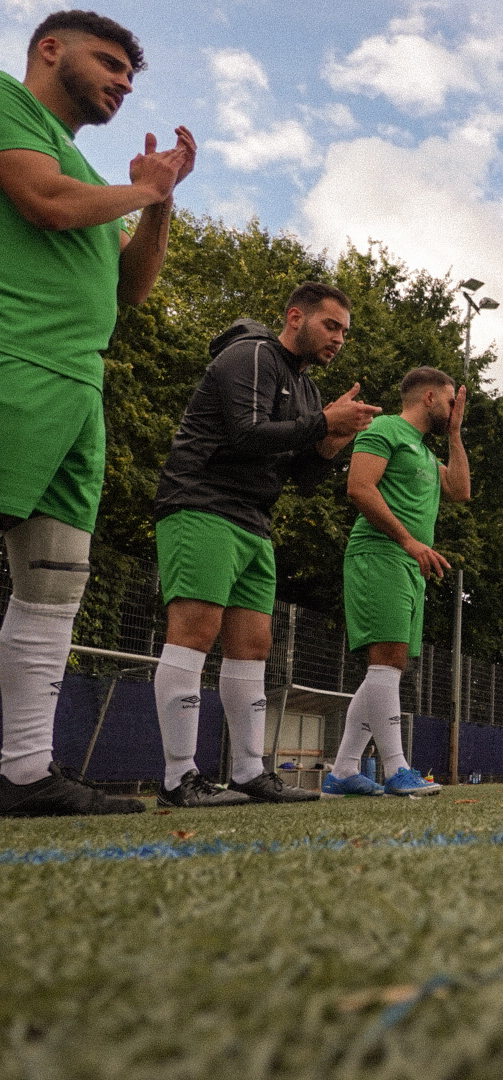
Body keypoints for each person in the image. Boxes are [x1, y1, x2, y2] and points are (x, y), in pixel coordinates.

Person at [0, 11, 196, 817]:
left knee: (53, 586)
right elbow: (41, 201)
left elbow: (132, 289)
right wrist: (140, 186)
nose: (121, 80)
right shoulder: (11, 107)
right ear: (51, 50)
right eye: (108, 63)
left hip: (81, 388)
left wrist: (158, 203)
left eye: (128, 73)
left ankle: (23, 773)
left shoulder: (87, 169)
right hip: (15, 363)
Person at [149, 282, 377, 808]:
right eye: (331, 325)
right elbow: (246, 434)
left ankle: (249, 772)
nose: (339, 338)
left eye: (345, 330)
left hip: (254, 520)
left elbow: (300, 477)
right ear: (295, 317)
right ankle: (177, 778)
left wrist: (329, 444)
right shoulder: (250, 354)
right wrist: (321, 423)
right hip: (201, 502)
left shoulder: (308, 388)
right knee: (194, 634)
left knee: (253, 644)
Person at [323, 367, 469, 798]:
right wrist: (408, 540)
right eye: (448, 401)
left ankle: (344, 771)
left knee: (389, 668)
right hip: (380, 554)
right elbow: (359, 487)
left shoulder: (424, 452)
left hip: (409, 563)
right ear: (427, 397)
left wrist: (455, 432)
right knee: (386, 664)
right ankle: (396, 768)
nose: (451, 408)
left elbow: (460, 490)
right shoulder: (386, 428)